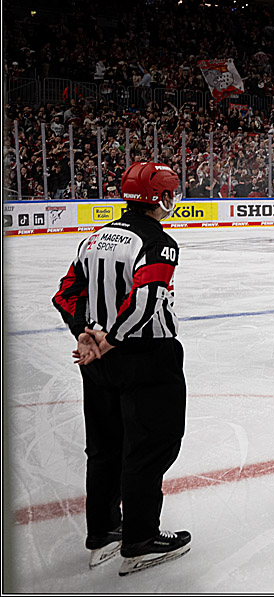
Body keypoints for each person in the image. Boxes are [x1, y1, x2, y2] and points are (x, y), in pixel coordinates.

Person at [52, 161, 191, 576]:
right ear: (161, 197)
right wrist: (110, 340)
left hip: (97, 361)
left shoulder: (93, 239)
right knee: (150, 446)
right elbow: (146, 302)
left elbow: (65, 293)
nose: (174, 199)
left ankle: (104, 532)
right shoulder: (156, 241)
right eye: (172, 192)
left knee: (105, 447)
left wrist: (85, 335)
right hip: (145, 357)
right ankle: (141, 539)